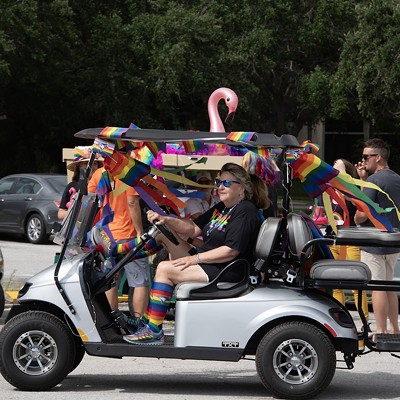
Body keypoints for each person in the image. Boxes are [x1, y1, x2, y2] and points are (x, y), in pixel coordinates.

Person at [123, 163, 263, 345]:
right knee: (162, 231)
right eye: (219, 182)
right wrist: (167, 220)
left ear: (241, 188)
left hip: (228, 269)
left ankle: (154, 331)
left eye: (227, 183)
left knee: (165, 269)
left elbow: (230, 251)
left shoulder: (245, 211)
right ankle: (119, 256)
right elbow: (193, 228)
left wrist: (193, 259)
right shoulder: (222, 208)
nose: (220, 186)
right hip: (210, 262)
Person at [88, 166, 148, 320]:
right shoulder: (130, 172)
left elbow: (90, 200)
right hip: (129, 235)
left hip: (106, 236)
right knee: (139, 281)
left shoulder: (100, 173)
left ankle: (111, 321)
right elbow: (132, 202)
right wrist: (140, 232)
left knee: (110, 280)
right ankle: (139, 323)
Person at [354, 138, 400, 335]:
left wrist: (356, 217)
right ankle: (395, 329)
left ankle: (380, 330)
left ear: (378, 157)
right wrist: (363, 180)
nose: (364, 161)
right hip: (393, 241)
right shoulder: (397, 179)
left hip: (374, 241)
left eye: (366, 156)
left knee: (377, 287)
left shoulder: (374, 181)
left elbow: (362, 214)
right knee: (389, 286)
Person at [328, 159, 369, 321]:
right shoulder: (330, 190)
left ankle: (364, 324)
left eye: (337, 165)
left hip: (350, 241)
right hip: (332, 240)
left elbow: (359, 201)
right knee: (336, 286)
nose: (333, 168)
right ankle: (341, 322)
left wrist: (344, 176)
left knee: (356, 286)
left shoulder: (349, 190)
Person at [58, 148, 103, 220]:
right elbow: (60, 214)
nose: (90, 166)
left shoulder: (105, 186)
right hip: (77, 229)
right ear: (79, 167)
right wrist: (76, 213)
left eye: (94, 163)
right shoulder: (72, 186)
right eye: (86, 163)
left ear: (99, 167)